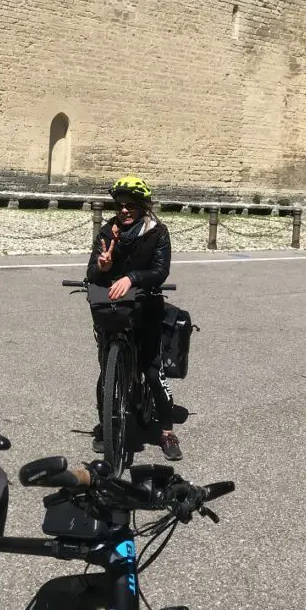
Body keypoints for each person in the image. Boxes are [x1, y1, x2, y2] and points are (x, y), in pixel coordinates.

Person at [86, 175, 182, 462]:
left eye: (131, 205)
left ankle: (166, 431)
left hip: (145, 307)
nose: (124, 210)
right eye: (120, 205)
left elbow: (160, 270)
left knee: (153, 373)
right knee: (106, 373)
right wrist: (103, 267)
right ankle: (106, 423)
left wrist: (132, 277)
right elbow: (91, 273)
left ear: (142, 206)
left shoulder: (157, 232)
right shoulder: (107, 232)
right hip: (114, 310)